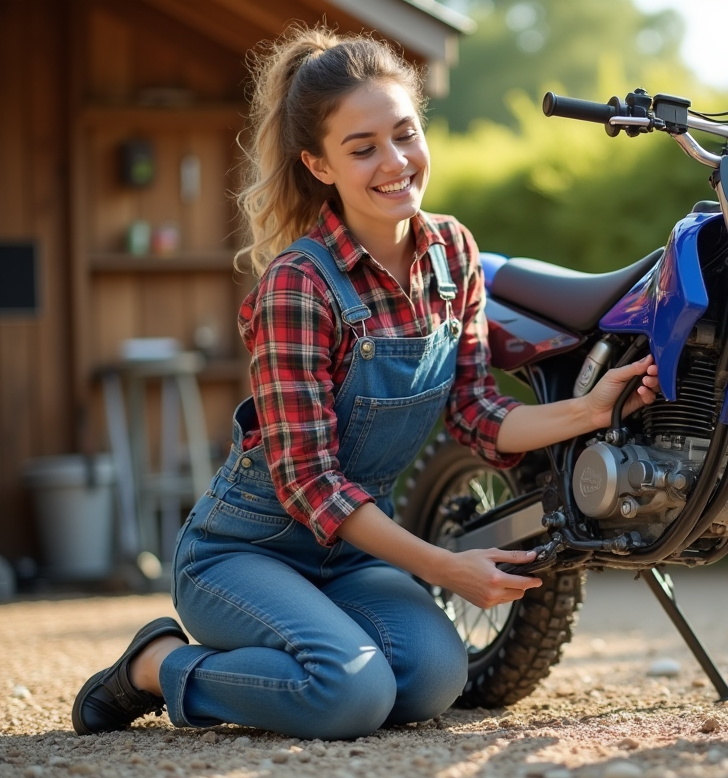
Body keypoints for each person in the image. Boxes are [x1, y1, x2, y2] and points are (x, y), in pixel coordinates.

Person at [71, 25, 658, 741]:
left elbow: (476, 409)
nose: (396, 162)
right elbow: (311, 484)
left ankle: (300, 652)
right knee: (347, 696)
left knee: (434, 680)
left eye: (405, 135)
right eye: (363, 148)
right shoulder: (299, 284)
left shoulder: (454, 252)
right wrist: (446, 567)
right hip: (244, 553)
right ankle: (156, 664)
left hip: (353, 554)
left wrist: (590, 412)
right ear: (318, 164)